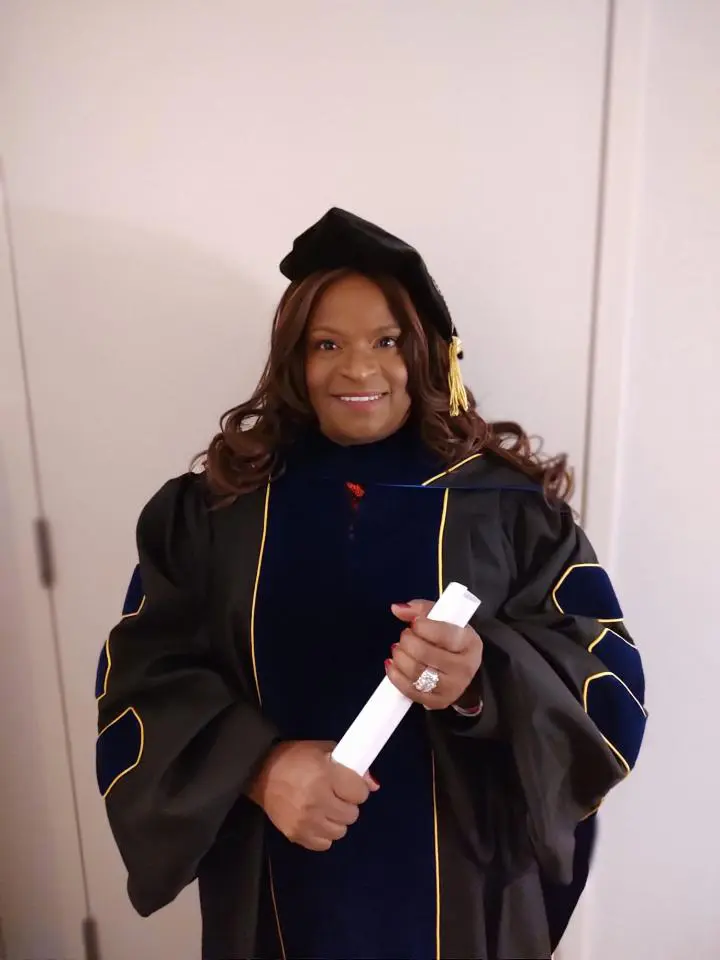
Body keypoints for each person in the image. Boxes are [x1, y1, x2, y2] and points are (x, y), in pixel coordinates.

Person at [95, 208, 647, 960]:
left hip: (463, 893)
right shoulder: (215, 513)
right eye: (327, 344)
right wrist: (259, 768)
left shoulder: (509, 511)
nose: (358, 371)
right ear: (294, 360)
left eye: (387, 342)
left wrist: (481, 678)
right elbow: (144, 677)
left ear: (427, 357)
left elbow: (604, 678)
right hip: (277, 889)